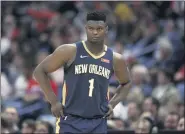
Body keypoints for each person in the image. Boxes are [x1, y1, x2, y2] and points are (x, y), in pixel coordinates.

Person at [33, 11, 131, 133]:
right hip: (70, 120)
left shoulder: (115, 58)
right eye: (91, 28)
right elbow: (39, 71)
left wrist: (113, 104)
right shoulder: (69, 50)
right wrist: (53, 101)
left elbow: (126, 83)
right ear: (85, 29)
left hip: (98, 121)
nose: (95, 32)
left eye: (99, 29)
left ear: (106, 29)